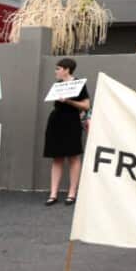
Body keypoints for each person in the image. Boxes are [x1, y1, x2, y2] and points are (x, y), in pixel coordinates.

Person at [43, 58, 89, 206]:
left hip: (72, 122)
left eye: (58, 68)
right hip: (56, 121)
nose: (56, 71)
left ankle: (72, 193)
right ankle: (53, 194)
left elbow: (86, 105)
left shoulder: (79, 84)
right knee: (57, 157)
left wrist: (69, 101)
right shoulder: (58, 84)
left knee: (73, 157)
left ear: (67, 69)